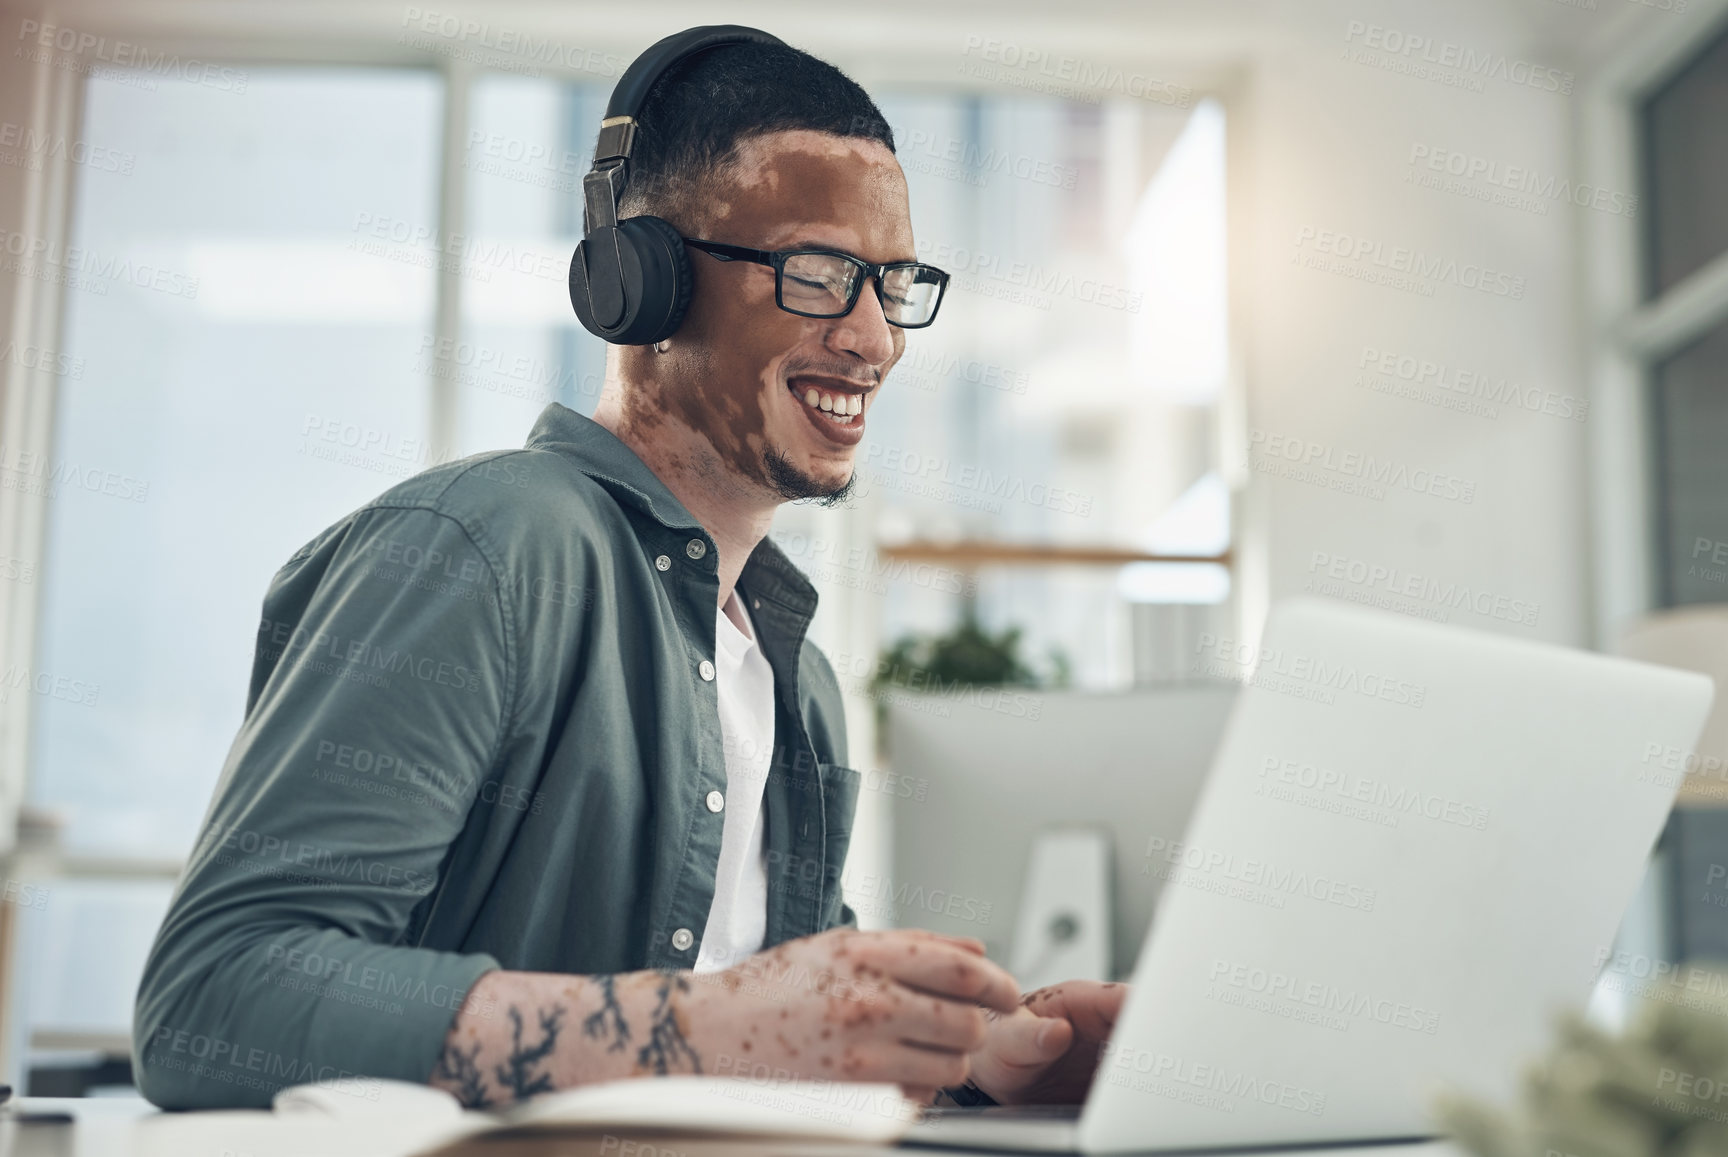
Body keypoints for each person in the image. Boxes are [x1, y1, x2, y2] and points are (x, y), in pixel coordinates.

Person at [132, 28, 1122, 1112]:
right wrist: (705, 1028)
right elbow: (211, 1000)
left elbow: (788, 1046)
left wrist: (984, 1062)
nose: (874, 337)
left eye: (892, 283)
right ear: (639, 282)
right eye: (823, 272)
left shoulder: (802, 682)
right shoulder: (486, 547)